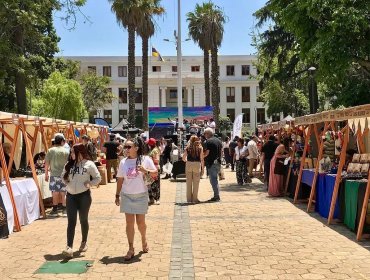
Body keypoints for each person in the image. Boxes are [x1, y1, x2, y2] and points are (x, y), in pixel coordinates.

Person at [115, 137, 157, 261]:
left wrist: (145, 170)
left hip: (141, 195)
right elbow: (120, 179)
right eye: (125, 147)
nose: (126, 149)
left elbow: (155, 173)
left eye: (129, 147)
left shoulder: (145, 159)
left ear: (136, 148)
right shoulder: (123, 162)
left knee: (140, 223)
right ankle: (131, 248)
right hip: (127, 195)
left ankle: (144, 239)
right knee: (129, 223)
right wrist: (117, 195)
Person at [61, 144, 101, 258]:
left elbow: (98, 178)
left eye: (73, 152)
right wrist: (67, 182)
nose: (71, 154)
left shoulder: (89, 164)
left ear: (80, 152)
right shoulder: (69, 164)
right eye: (71, 152)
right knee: (71, 221)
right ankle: (69, 247)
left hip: (84, 196)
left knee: (83, 219)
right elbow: (62, 176)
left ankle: (84, 242)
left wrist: (90, 184)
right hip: (70, 197)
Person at [45, 134, 70, 216]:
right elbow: (69, 163)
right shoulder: (66, 151)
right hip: (64, 174)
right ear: (62, 141)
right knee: (64, 192)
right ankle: (65, 209)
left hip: (54, 174)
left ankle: (55, 209)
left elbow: (47, 163)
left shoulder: (50, 150)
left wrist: (46, 174)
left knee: (55, 192)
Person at [182, 135, 204, 203]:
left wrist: (186, 161)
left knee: (188, 183)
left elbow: (183, 157)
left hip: (189, 164)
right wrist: (202, 168)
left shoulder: (188, 147)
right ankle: (195, 199)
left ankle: (189, 199)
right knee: (196, 183)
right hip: (197, 165)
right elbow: (202, 159)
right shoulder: (200, 148)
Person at [203, 128, 222, 202]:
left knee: (213, 180)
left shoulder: (208, 141)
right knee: (215, 179)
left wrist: (201, 157)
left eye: (205, 134)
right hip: (218, 162)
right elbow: (221, 152)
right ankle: (216, 195)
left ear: (207, 134)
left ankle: (216, 196)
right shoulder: (219, 141)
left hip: (211, 163)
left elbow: (207, 153)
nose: (204, 135)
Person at [147, 138, 161, 205]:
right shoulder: (151, 150)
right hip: (150, 169)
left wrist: (150, 159)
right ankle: (151, 199)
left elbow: (157, 160)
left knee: (156, 185)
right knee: (150, 184)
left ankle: (157, 199)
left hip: (154, 169)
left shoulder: (155, 150)